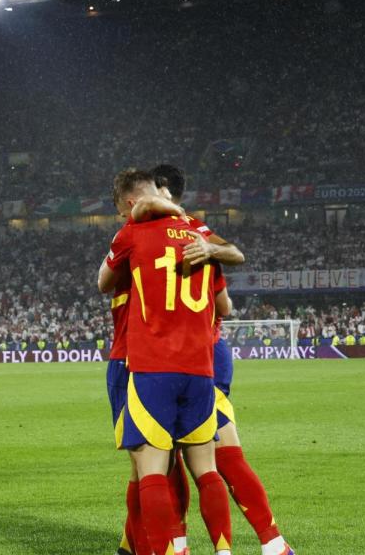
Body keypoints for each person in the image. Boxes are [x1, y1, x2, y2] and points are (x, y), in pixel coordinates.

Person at [151, 165, 294, 555]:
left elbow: (235, 254)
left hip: (193, 357)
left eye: (148, 190)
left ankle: (260, 542)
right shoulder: (189, 234)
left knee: (197, 456)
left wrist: (211, 252)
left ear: (162, 189)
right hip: (199, 354)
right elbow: (225, 304)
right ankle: (264, 542)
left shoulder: (182, 232)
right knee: (195, 455)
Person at [99, 169, 233, 555]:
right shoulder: (199, 235)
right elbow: (227, 303)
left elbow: (101, 281)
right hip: (199, 366)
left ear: (131, 205)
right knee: (204, 467)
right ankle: (217, 550)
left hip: (144, 362)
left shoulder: (131, 235)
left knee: (148, 469)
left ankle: (164, 548)